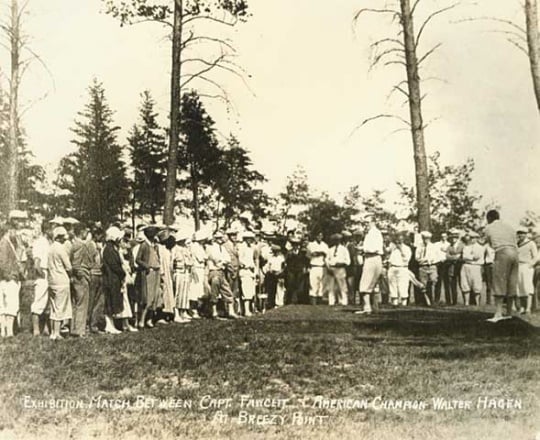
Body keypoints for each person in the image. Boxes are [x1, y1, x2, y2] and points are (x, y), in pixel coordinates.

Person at [484, 210, 518, 322]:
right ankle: (509, 312)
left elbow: (489, 242)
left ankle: (498, 314)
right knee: (511, 282)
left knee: (499, 281)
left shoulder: (489, 227)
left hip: (502, 252)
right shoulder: (509, 226)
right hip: (515, 253)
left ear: (489, 218)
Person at [0, 211, 27, 337]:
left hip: (9, 277)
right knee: (10, 305)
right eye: (13, 231)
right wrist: (9, 275)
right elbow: (3, 261)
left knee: (5, 306)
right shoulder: (5, 243)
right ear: (9, 230)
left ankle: (5, 331)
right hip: (9, 278)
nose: (15, 234)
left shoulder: (10, 242)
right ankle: (8, 331)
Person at [70, 223, 95, 337]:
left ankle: (74, 328)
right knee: (82, 303)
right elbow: (76, 263)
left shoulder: (74, 244)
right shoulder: (80, 245)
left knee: (76, 303)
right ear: (82, 232)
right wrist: (80, 273)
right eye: (85, 231)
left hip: (77, 276)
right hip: (82, 275)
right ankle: (80, 330)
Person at [47, 227, 72, 340]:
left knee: (53, 307)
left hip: (52, 280)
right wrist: (71, 275)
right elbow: (68, 266)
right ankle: (56, 333)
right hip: (61, 280)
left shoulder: (50, 248)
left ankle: (53, 332)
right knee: (60, 307)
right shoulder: (61, 249)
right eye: (63, 237)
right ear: (59, 237)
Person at [206, 231, 238, 319]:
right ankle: (214, 312)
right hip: (214, 272)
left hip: (222, 272)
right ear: (215, 239)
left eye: (221, 238)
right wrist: (223, 261)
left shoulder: (222, 248)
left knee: (227, 291)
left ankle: (231, 312)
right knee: (214, 292)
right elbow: (216, 259)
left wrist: (223, 261)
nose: (220, 240)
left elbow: (228, 259)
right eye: (218, 238)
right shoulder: (211, 248)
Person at [356, 215, 384, 315]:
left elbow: (373, 248)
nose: (365, 225)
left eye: (367, 222)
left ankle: (368, 308)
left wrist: (362, 249)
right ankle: (373, 307)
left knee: (366, 283)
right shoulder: (372, 233)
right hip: (373, 258)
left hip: (372, 258)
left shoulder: (374, 233)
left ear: (373, 222)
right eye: (365, 223)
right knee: (372, 284)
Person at [135, 225, 162, 328]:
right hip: (149, 272)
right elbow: (138, 259)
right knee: (148, 297)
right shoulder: (144, 245)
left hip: (156, 271)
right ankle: (142, 320)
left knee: (155, 296)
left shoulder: (155, 245)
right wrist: (147, 267)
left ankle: (149, 320)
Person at [31, 220, 52, 336]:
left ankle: (45, 328)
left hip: (48, 273)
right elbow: (36, 262)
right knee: (38, 301)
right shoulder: (40, 242)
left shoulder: (48, 242)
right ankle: (36, 329)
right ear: (47, 230)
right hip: (42, 273)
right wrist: (41, 273)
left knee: (47, 302)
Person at [415, 231, 440, 306]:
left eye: (427, 238)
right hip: (423, 267)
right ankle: (425, 301)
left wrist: (426, 259)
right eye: (424, 238)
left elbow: (436, 257)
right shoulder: (420, 247)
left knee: (433, 281)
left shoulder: (434, 247)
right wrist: (422, 260)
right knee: (423, 284)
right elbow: (417, 257)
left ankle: (433, 300)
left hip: (432, 266)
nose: (426, 240)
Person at [387, 231, 412, 306]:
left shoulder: (407, 248)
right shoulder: (393, 249)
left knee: (403, 285)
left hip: (402, 268)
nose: (399, 241)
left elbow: (406, 259)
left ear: (403, 240)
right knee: (392, 285)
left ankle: (404, 302)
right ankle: (395, 301)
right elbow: (388, 257)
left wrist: (401, 249)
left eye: (401, 239)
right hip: (393, 267)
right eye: (398, 239)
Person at [517, 227, 538, 314]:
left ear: (526, 234)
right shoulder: (517, 243)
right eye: (519, 233)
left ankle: (528, 308)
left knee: (528, 287)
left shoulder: (531, 243)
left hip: (527, 266)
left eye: (523, 233)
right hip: (519, 266)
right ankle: (522, 307)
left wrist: (531, 264)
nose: (521, 235)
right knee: (520, 287)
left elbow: (535, 256)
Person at [460, 231, 484, 306]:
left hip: (476, 266)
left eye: (474, 238)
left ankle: (477, 303)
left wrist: (469, 257)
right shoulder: (466, 247)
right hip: (466, 266)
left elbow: (476, 257)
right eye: (471, 238)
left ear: (477, 239)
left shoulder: (480, 247)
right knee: (465, 284)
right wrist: (470, 257)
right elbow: (464, 257)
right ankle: (466, 302)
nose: (472, 239)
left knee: (476, 284)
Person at [156, 229, 175, 324]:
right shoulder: (159, 248)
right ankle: (160, 316)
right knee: (162, 294)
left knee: (168, 294)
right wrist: (162, 273)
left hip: (168, 274)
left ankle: (168, 313)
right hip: (163, 274)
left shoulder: (167, 249)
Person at [173, 232, 192, 322]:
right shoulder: (175, 249)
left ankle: (183, 311)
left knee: (184, 293)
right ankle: (176, 313)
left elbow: (190, 260)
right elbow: (172, 262)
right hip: (178, 272)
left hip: (186, 272)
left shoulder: (186, 249)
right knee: (177, 293)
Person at [326, 233, 350, 306]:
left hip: (340, 268)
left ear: (340, 240)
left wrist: (341, 263)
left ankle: (343, 301)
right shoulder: (330, 249)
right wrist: (329, 267)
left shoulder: (344, 249)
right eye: (335, 240)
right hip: (332, 268)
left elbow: (348, 261)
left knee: (342, 286)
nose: (336, 241)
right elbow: (326, 259)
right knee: (331, 286)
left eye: (338, 240)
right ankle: (331, 301)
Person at [306, 232, 329, 305]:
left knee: (322, 284)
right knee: (313, 284)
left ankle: (320, 302)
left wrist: (320, 253)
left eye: (321, 235)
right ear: (315, 236)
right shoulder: (311, 244)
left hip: (322, 266)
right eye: (318, 235)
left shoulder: (325, 245)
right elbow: (311, 254)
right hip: (314, 266)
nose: (319, 237)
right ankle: (313, 302)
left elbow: (326, 255)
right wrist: (321, 253)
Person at [238, 231, 257, 316]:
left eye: (251, 238)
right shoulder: (241, 247)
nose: (250, 240)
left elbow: (254, 259)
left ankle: (250, 309)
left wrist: (254, 268)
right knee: (246, 291)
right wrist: (246, 265)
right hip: (244, 270)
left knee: (251, 290)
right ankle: (246, 310)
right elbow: (240, 259)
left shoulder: (251, 248)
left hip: (251, 271)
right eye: (249, 238)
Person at [284, 237, 308, 305]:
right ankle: (290, 301)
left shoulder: (302, 252)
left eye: (297, 244)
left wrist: (304, 268)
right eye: (294, 244)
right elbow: (286, 261)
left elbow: (304, 261)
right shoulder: (289, 252)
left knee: (299, 285)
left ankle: (299, 301)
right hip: (291, 271)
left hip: (299, 270)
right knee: (291, 285)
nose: (296, 246)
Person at [444, 229, 463, 305]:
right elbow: (447, 256)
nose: (453, 239)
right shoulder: (449, 247)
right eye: (452, 238)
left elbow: (463, 255)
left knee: (463, 284)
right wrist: (455, 257)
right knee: (452, 284)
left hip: (460, 267)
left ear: (457, 238)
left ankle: (467, 301)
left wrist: (457, 257)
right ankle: (453, 301)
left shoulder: (462, 245)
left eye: (455, 238)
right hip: (451, 267)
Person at [347, 228, 364, 306]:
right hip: (353, 266)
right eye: (356, 236)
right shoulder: (350, 245)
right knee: (352, 284)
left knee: (361, 283)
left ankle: (361, 300)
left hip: (362, 266)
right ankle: (352, 301)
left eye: (359, 236)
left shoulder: (364, 245)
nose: (358, 238)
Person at [265, 244, 285, 309]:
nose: (276, 252)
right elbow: (268, 266)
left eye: (277, 251)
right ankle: (271, 303)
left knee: (279, 289)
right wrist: (270, 270)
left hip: (279, 274)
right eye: (274, 251)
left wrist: (280, 272)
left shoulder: (281, 258)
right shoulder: (271, 258)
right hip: (272, 275)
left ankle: (279, 303)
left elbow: (284, 267)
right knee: (272, 289)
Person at [434, 232, 450, 304]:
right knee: (438, 282)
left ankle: (448, 300)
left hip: (447, 264)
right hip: (439, 264)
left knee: (447, 282)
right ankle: (436, 299)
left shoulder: (449, 244)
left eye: (445, 236)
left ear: (447, 237)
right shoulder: (436, 244)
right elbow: (434, 253)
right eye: (442, 236)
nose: (444, 238)